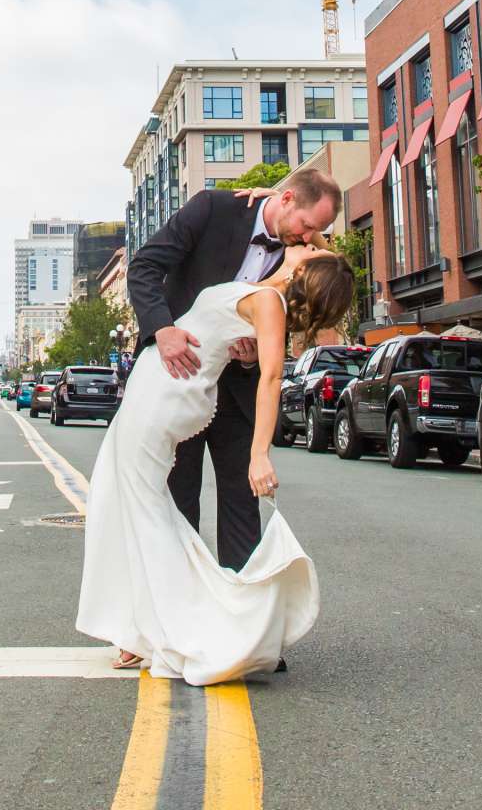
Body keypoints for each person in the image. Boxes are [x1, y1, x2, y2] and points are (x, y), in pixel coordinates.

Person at [77, 238, 353, 685]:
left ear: (306, 274)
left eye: (309, 247)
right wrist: (276, 207)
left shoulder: (269, 304)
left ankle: (157, 630)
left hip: (166, 398)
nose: (303, 242)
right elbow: (330, 252)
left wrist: (259, 453)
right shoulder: (265, 291)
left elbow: (271, 380)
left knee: (142, 514)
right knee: (129, 505)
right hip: (160, 389)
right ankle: (138, 628)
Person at [123, 168, 341, 575]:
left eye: (317, 232)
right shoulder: (213, 208)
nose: (307, 236)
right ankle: (180, 609)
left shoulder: (303, 250)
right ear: (289, 199)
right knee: (177, 501)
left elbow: (334, 273)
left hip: (240, 389)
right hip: (181, 378)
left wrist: (252, 354)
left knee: (242, 507)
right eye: (307, 226)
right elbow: (144, 268)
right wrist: (163, 328)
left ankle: (244, 617)